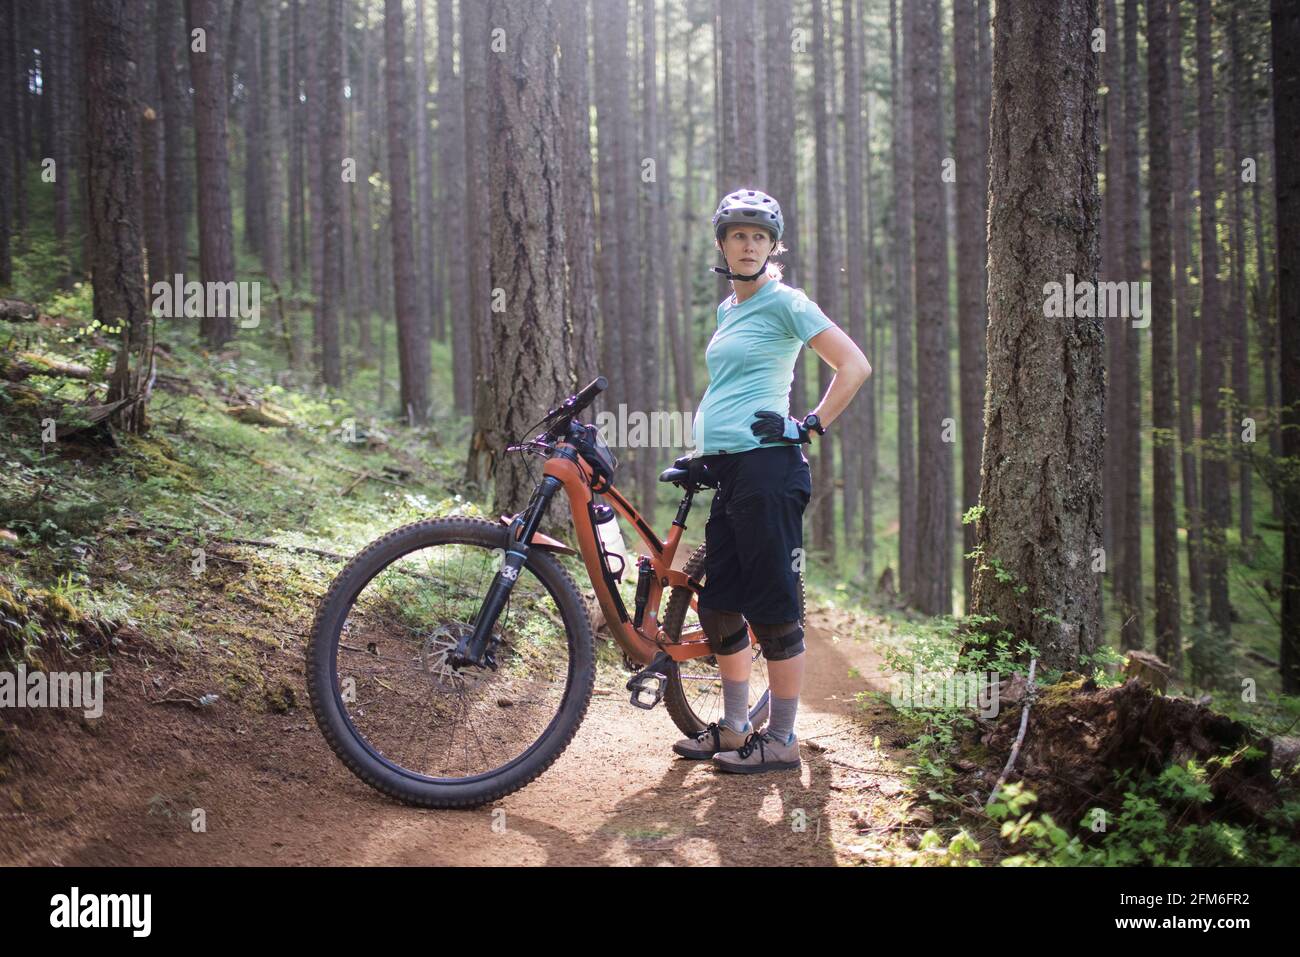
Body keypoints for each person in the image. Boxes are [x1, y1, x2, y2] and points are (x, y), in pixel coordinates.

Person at [672, 188, 872, 774]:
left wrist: (808, 423)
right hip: (732, 469)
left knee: (774, 608)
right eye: (738, 234)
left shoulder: (787, 301)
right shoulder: (729, 310)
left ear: (772, 246)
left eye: (759, 236)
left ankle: (782, 739)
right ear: (722, 244)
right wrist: (703, 450)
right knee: (720, 604)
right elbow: (734, 387)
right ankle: (735, 729)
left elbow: (853, 364)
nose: (748, 244)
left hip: (770, 468)